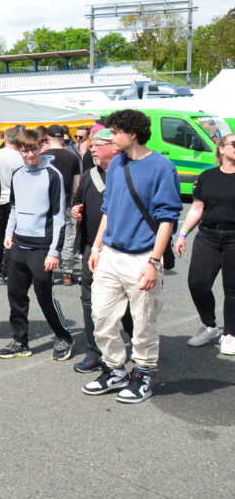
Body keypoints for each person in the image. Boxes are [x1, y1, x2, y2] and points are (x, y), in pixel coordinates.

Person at [83, 109, 182, 404]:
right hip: (111, 253)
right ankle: (115, 370)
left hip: (143, 257)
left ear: (132, 133)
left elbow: (168, 218)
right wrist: (97, 247)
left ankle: (142, 374)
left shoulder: (162, 167)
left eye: (114, 132)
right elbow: (108, 209)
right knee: (101, 315)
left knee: (143, 321)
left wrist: (154, 261)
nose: (110, 138)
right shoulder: (117, 165)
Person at [0, 129, 74, 360]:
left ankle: (63, 336)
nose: (29, 154)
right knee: (16, 295)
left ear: (41, 147)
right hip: (19, 245)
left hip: (42, 248)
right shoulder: (18, 174)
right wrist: (9, 233)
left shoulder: (53, 175)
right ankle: (20, 341)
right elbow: (13, 208)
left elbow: (59, 216)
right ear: (19, 150)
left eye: (33, 149)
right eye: (25, 150)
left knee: (44, 295)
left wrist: (54, 251)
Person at [70, 127, 133, 373]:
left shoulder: (129, 172)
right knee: (89, 301)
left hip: (123, 249)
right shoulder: (89, 175)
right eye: (92, 145)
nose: (92, 148)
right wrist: (77, 210)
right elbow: (78, 202)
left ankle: (138, 345)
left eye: (98, 145)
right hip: (91, 248)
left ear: (114, 146)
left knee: (128, 301)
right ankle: (94, 351)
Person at [176, 132, 235, 355]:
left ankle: (230, 333)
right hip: (209, 235)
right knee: (197, 283)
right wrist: (182, 234)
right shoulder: (207, 176)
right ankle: (209, 325)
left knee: (232, 288)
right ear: (221, 148)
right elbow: (197, 208)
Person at [0, 125, 25, 284]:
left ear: (5, 139)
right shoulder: (20, 157)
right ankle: (5, 271)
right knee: (11, 236)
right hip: (14, 199)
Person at [44, 124, 81, 286]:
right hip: (65, 201)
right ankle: (67, 273)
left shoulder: (44, 156)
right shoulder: (72, 157)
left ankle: (49, 271)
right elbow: (76, 183)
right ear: (63, 137)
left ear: (48, 137)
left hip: (46, 203)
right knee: (67, 237)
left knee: (48, 237)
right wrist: (73, 199)